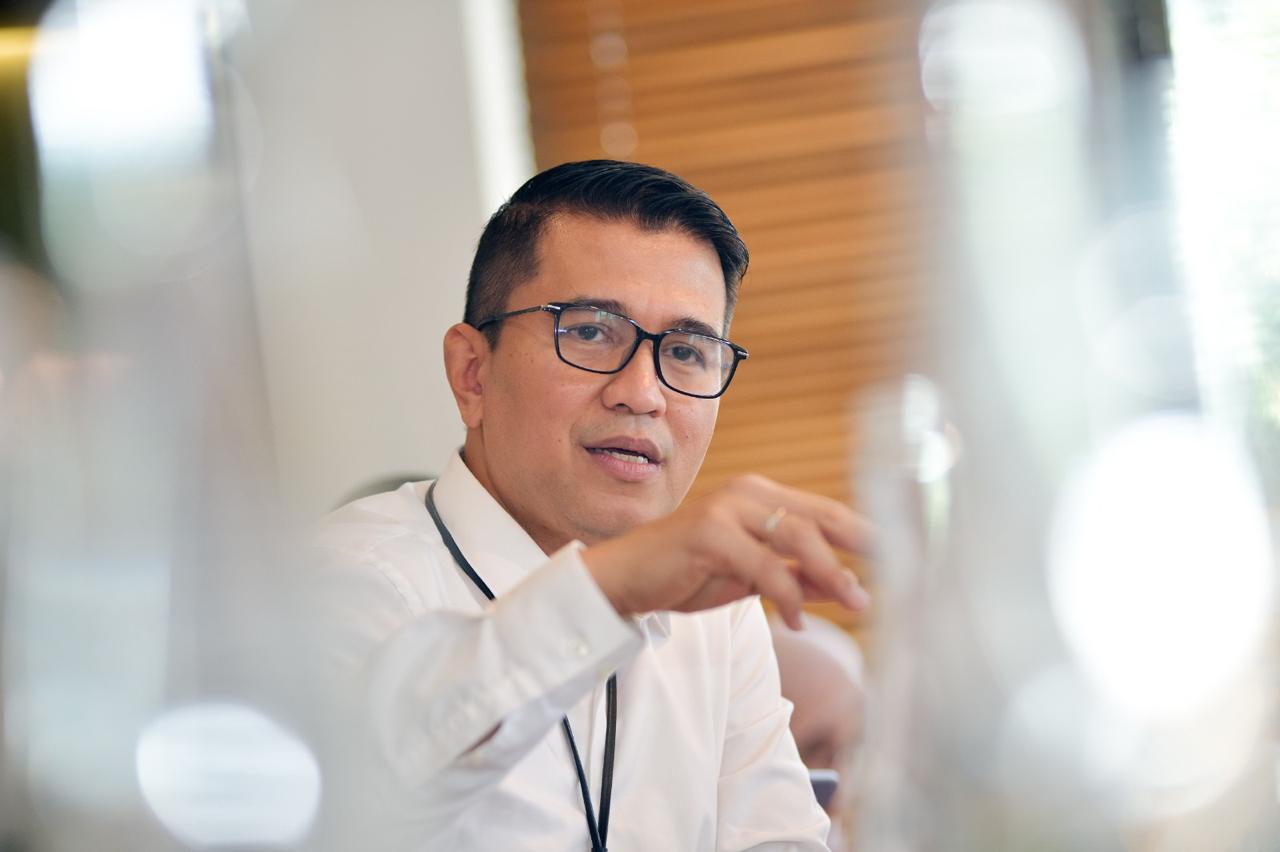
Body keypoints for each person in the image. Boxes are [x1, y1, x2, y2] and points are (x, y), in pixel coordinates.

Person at [307, 160, 871, 851]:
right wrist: (608, 590)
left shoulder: (717, 617)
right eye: (591, 332)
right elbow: (349, 805)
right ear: (472, 373)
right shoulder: (347, 576)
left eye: (687, 351)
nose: (643, 393)